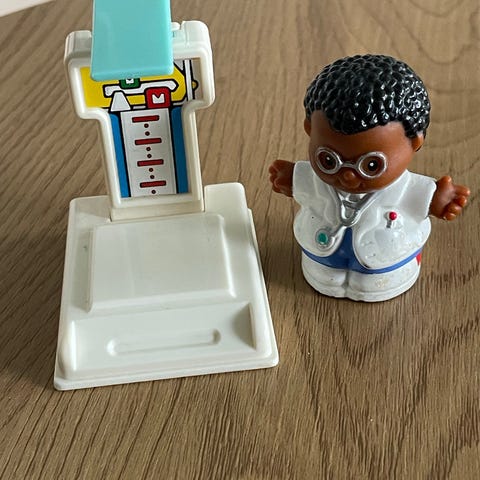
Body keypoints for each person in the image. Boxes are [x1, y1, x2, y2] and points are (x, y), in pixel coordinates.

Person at [269, 54, 470, 302]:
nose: (348, 176)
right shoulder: (318, 180)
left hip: (385, 256)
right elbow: (306, 181)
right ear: (309, 130)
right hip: (323, 251)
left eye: (371, 165)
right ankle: (326, 272)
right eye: (329, 160)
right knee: (325, 276)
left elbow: (422, 196)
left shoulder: (405, 188)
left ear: (414, 143)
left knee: (372, 282)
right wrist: (292, 177)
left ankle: (376, 281)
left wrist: (438, 199)